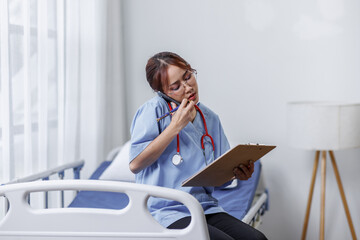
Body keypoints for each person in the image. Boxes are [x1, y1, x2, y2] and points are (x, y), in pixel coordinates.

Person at [129, 51, 267, 240]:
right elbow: (135, 165)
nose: (188, 88)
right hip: (164, 212)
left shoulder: (209, 118)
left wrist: (238, 173)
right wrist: (174, 127)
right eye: (176, 86)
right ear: (162, 92)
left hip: (204, 207)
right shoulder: (153, 111)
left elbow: (221, 177)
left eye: (188, 77)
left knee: (257, 239)